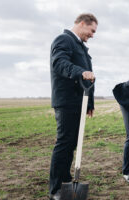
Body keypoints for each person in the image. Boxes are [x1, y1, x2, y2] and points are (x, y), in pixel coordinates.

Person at [48, 13, 97, 200]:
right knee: (64, 143)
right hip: (66, 101)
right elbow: (59, 63)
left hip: (79, 101)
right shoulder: (64, 39)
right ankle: (55, 189)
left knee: (71, 144)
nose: (93, 35)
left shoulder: (81, 47)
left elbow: (89, 76)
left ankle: (65, 180)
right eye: (92, 30)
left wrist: (90, 102)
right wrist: (80, 71)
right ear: (83, 24)